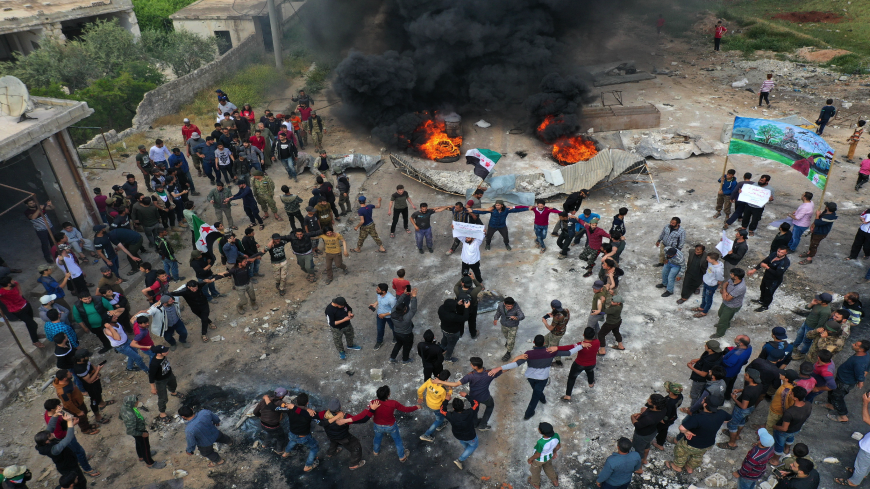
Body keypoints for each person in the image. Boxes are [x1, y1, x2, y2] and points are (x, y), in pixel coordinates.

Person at [490, 335, 580, 420]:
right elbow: (570, 352)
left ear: (534, 342)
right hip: (542, 379)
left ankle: (542, 398)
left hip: (530, 377)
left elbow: (516, 364)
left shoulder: (529, 353)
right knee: (535, 396)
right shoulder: (551, 352)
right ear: (544, 343)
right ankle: (528, 413)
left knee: (537, 391)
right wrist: (581, 346)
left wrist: (499, 368)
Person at [666, 397, 731, 474]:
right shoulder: (722, 413)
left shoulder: (698, 418)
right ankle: (690, 468)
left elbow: (681, 428)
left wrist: (686, 432)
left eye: (704, 400)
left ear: (705, 404)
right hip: (708, 443)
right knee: (697, 456)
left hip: (692, 443)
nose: (702, 400)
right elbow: (728, 419)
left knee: (681, 453)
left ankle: (677, 466)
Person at [43, 399, 98, 477]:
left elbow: (62, 415)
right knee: (79, 451)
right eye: (58, 406)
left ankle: (80, 460)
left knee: (75, 451)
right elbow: (59, 435)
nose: (60, 406)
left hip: (66, 431)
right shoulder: (52, 420)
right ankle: (87, 469)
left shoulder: (51, 412)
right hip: (66, 438)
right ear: (52, 409)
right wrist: (72, 425)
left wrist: (71, 419)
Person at [825, 340, 870, 422]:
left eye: (855, 345)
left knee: (837, 397)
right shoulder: (865, 356)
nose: (853, 344)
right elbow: (867, 367)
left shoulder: (859, 362)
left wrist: (861, 381)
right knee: (832, 391)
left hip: (844, 382)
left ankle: (843, 416)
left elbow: (860, 373)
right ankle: (831, 405)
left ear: (860, 349)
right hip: (842, 378)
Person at [719, 368, 765, 450]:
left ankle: (731, 443)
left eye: (746, 375)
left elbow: (743, 406)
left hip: (741, 409)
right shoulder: (759, 385)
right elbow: (751, 391)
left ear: (751, 378)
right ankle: (736, 435)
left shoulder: (748, 391)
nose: (744, 375)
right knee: (741, 422)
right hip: (751, 407)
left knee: (732, 425)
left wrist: (734, 398)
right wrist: (740, 390)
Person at [370, 385, 418, 461]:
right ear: (388, 395)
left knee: (377, 438)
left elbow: (368, 413)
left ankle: (376, 451)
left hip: (378, 425)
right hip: (391, 426)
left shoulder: (373, 402)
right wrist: (416, 407)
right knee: (397, 440)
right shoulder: (393, 403)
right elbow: (405, 409)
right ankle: (402, 456)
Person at [34, 422, 87, 489]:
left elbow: (51, 426)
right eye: (50, 435)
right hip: (69, 467)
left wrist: (55, 414)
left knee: (76, 481)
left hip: (65, 465)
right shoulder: (54, 450)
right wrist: (70, 423)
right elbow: (68, 437)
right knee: (79, 480)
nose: (53, 434)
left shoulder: (44, 444)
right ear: (47, 441)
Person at [119, 395, 166, 469]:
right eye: (136, 402)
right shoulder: (131, 416)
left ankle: (141, 456)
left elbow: (120, 417)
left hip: (136, 431)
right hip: (138, 431)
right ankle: (150, 463)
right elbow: (130, 431)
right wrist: (142, 433)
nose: (138, 403)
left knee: (139, 443)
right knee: (145, 447)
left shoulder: (124, 407)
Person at [769, 386, 811, 467]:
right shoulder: (808, 404)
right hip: (796, 428)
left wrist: (774, 426)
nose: (790, 394)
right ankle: (787, 449)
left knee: (779, 445)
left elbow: (784, 428)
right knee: (790, 438)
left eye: (791, 394)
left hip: (784, 432)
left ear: (795, 398)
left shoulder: (790, 412)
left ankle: (775, 460)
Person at [0, 277, 45, 348]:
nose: (14, 281)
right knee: (33, 324)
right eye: (12, 281)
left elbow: (17, 283)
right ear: (8, 284)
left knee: (30, 323)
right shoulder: (2, 292)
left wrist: (20, 292)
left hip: (26, 305)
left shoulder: (14, 284)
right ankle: (35, 341)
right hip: (18, 311)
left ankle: (35, 336)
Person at [52, 369, 97, 435]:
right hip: (75, 406)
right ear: (65, 378)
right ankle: (85, 430)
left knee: (84, 414)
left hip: (79, 402)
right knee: (81, 418)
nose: (71, 373)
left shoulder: (67, 380)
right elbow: (68, 404)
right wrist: (78, 412)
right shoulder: (63, 392)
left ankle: (88, 425)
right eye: (69, 373)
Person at [440, 398, 481, 470]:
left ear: (453, 408)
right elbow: (476, 404)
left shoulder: (450, 415)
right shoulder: (470, 412)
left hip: (458, 435)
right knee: (474, 445)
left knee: (463, 442)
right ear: (464, 405)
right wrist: (467, 396)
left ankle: (467, 452)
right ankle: (460, 460)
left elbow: (442, 410)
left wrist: (446, 400)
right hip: (470, 435)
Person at [747, 246, 790, 312]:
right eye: (778, 251)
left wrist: (767, 267)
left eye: (781, 253)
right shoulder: (774, 254)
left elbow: (778, 274)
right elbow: (764, 262)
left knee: (769, 293)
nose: (779, 253)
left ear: (786, 253)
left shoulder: (785, 262)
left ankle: (765, 306)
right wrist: (754, 270)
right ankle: (761, 300)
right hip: (767, 276)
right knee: (762, 288)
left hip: (774, 280)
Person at [148, 345, 184, 423]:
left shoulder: (162, 356)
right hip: (160, 381)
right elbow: (151, 376)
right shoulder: (154, 364)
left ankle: (173, 392)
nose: (167, 352)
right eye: (165, 351)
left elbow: (152, 347)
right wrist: (153, 388)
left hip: (169, 375)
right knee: (163, 398)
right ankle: (162, 413)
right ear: (159, 354)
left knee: (173, 384)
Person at [632, 394, 667, 467]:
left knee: (639, 451)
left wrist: (632, 417)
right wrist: (642, 414)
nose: (647, 400)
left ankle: (639, 468)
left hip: (642, 435)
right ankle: (644, 459)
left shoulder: (649, 418)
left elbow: (638, 425)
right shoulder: (663, 409)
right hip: (651, 432)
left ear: (655, 406)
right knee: (646, 446)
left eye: (650, 401)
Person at [418, 370, 453, 442]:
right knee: (439, 419)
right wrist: (450, 391)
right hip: (437, 406)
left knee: (439, 417)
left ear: (438, 375)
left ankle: (440, 425)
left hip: (429, 403)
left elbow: (420, 390)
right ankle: (426, 434)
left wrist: (420, 397)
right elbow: (444, 400)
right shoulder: (442, 390)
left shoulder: (429, 380)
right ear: (446, 380)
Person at [686, 340, 724, 405]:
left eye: (706, 346)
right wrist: (698, 360)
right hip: (704, 376)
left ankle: (693, 408)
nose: (705, 346)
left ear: (710, 349)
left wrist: (691, 367)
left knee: (695, 394)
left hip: (700, 380)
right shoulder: (717, 353)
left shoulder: (709, 361)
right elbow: (704, 358)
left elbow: (704, 374)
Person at [712, 268, 746, 339]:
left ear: (736, 277)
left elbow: (727, 298)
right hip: (726, 303)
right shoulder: (733, 280)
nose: (730, 275)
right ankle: (726, 325)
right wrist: (724, 291)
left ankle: (720, 333)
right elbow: (725, 284)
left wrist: (723, 293)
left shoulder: (740, 287)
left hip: (732, 306)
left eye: (732, 274)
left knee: (722, 320)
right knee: (720, 313)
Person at [528, 422, 561, 489]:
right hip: (548, 457)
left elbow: (538, 454)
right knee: (549, 468)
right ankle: (555, 482)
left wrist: (530, 459)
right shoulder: (556, 435)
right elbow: (558, 446)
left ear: (540, 432)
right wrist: (554, 452)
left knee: (535, 471)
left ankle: (536, 484)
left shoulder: (541, 442)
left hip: (539, 460)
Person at [653, 382, 684, 451]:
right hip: (673, 416)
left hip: (666, 419)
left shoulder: (668, 402)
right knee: (664, 430)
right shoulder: (680, 396)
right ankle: (661, 441)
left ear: (671, 392)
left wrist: (662, 420)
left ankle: (659, 443)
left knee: (660, 429)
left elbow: (667, 414)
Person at [389, 288, 417, 363]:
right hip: (407, 335)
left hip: (397, 333)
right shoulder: (406, 318)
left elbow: (398, 303)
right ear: (405, 310)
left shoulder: (393, 312)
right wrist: (413, 297)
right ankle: (405, 359)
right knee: (406, 347)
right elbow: (413, 309)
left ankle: (392, 357)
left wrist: (404, 294)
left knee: (398, 344)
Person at [438, 298, 470, 363]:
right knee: (451, 345)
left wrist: (457, 304)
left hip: (444, 328)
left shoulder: (441, 308)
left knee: (444, 338)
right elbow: (465, 318)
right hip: (452, 332)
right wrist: (466, 308)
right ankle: (447, 357)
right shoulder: (452, 316)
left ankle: (442, 349)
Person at [693, 251, 724, 318]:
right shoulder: (711, 263)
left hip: (711, 285)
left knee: (708, 299)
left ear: (713, 260)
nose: (707, 259)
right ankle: (702, 307)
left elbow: (720, 278)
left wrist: (718, 284)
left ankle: (705, 312)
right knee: (704, 296)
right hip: (706, 281)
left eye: (708, 258)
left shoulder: (718, 269)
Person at [494, 297, 525, 362]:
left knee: (510, 341)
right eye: (508, 306)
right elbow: (498, 312)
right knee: (506, 336)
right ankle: (508, 342)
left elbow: (522, 316)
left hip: (513, 326)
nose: (510, 308)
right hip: (504, 324)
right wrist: (496, 318)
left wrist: (516, 317)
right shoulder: (500, 305)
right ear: (504, 303)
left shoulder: (516, 307)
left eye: (511, 306)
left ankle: (508, 353)